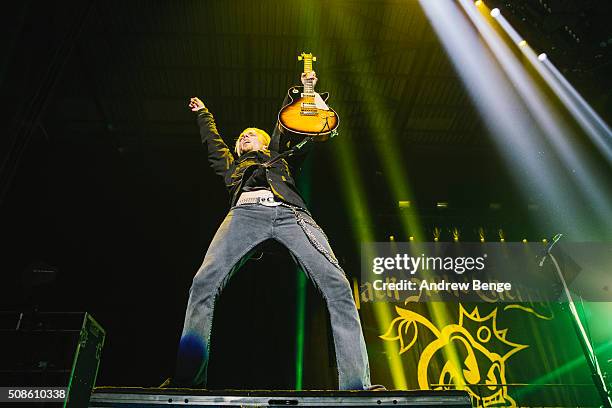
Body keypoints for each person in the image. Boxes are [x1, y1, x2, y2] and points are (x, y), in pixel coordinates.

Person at [171, 71, 375, 390]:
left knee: (337, 284)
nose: (244, 138)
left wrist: (303, 90)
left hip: (290, 213)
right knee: (203, 282)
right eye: (241, 138)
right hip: (244, 214)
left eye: (251, 135)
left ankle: (356, 385)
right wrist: (203, 115)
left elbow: (288, 123)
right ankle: (187, 380)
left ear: (266, 140)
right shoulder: (231, 167)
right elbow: (213, 143)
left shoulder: (281, 154)